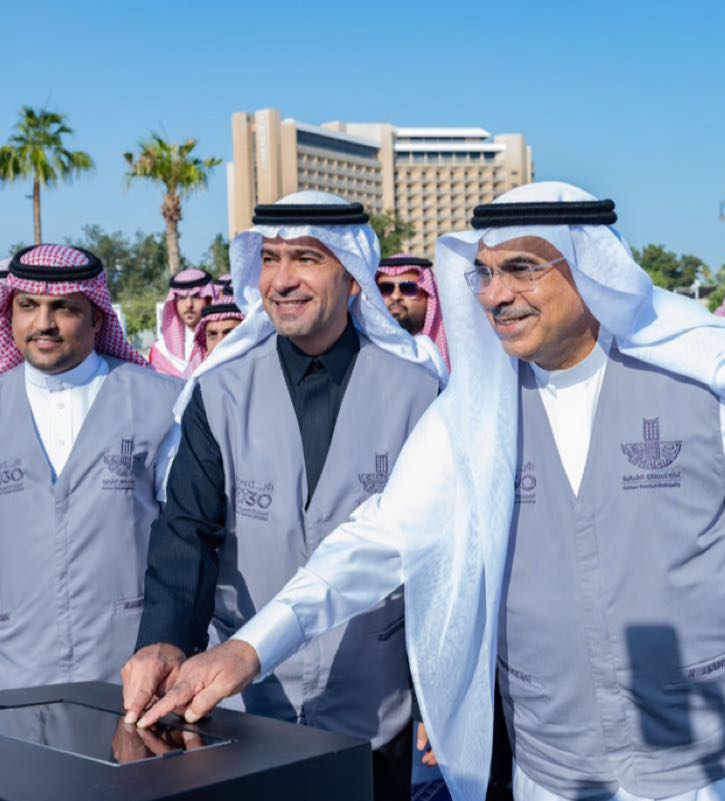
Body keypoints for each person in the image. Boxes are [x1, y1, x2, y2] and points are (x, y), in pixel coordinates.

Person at [131, 182, 725, 801]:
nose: (496, 294)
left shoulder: (710, 381)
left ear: (592, 270)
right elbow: (376, 541)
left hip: (713, 757)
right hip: (555, 762)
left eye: (522, 270)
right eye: (485, 273)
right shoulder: (475, 414)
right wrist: (248, 649)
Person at [122, 191, 442, 801]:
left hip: (376, 707)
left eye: (306, 259)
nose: (282, 280)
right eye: (270, 258)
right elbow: (188, 532)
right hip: (243, 709)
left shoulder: (418, 393)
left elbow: (439, 559)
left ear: (352, 275)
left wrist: (437, 694)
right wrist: (164, 640)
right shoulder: (220, 392)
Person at [0, 244, 180, 697]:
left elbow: (186, 541)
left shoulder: (160, 402)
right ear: (9, 315)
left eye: (63, 308)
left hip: (136, 669)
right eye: (28, 306)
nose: (43, 323)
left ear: (97, 318)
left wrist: (176, 647)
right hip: (13, 669)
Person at [376, 254, 450, 369]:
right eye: (386, 288)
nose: (395, 296)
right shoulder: (365, 352)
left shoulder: (453, 350)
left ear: (428, 295)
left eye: (408, 288)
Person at [148, 269, 215, 378]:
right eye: (182, 298)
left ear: (208, 299)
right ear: (174, 302)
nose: (189, 305)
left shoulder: (219, 342)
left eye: (196, 296)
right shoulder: (161, 350)